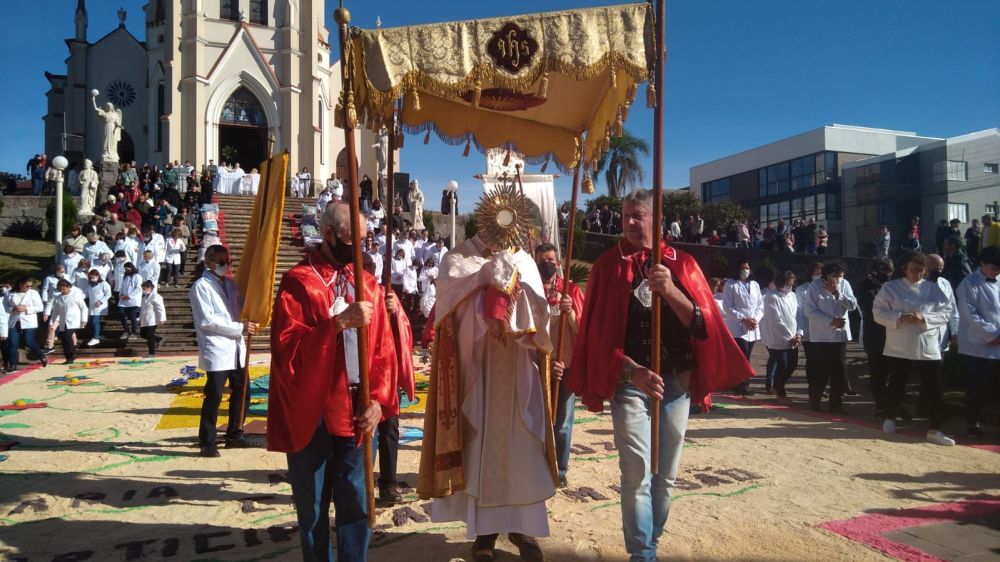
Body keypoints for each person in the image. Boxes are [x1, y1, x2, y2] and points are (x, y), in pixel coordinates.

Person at [569, 188, 752, 562]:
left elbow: (703, 326)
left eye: (638, 215)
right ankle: (642, 555)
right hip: (630, 382)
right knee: (635, 471)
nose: (630, 223)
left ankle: (650, 542)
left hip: (677, 383)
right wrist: (632, 370)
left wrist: (669, 289)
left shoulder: (681, 263)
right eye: (625, 217)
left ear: (656, 218)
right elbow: (597, 338)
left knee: (665, 477)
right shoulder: (607, 266)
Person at [419, 192, 558, 562]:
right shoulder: (458, 258)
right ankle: (483, 536)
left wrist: (514, 307)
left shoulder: (524, 260)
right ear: (480, 221)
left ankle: (523, 529)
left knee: (522, 452)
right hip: (475, 372)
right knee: (478, 448)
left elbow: (541, 315)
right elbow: (447, 311)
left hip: (517, 373)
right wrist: (482, 284)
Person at [267, 202, 396, 560]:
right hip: (315, 411)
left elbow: (383, 352)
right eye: (351, 240)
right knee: (312, 504)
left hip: (358, 407)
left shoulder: (367, 284)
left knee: (356, 499)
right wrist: (335, 325)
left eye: (365, 241)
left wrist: (379, 401)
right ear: (327, 235)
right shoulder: (299, 282)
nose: (360, 248)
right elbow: (285, 349)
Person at [873, 252, 955, 446]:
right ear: (905, 269)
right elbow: (877, 312)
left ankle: (935, 429)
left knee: (934, 388)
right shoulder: (890, 288)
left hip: (926, 343)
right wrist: (899, 317)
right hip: (900, 343)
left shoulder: (932, 289)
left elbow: (946, 312)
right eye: (915, 270)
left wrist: (924, 319)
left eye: (922, 270)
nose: (919, 274)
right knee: (897, 384)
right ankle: (890, 418)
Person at [190, 245, 258, 457]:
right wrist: (239, 328)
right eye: (221, 262)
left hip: (236, 348)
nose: (225, 266)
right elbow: (207, 321)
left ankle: (235, 433)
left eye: (227, 262)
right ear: (209, 262)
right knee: (215, 394)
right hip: (217, 348)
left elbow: (240, 307)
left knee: (242, 391)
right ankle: (207, 440)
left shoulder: (231, 284)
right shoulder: (201, 286)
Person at [534, 242, 585, 488]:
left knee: (563, 421)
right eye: (542, 260)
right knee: (536, 419)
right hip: (537, 365)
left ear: (558, 262)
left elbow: (584, 333)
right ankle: (537, 466)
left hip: (567, 365)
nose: (547, 264)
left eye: (551, 260)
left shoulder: (571, 291)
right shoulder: (529, 291)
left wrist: (571, 313)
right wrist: (545, 362)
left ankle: (560, 470)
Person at [956, 246, 1000, 438]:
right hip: (977, 344)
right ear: (982, 263)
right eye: (993, 267)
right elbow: (970, 314)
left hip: (998, 340)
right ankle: (972, 422)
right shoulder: (969, 283)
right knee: (977, 385)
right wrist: (992, 335)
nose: (996, 271)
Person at [803, 261, 857, 413]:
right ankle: (815, 401)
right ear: (826, 275)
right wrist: (830, 321)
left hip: (840, 336)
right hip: (821, 336)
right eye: (835, 276)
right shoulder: (815, 286)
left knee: (839, 371)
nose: (838, 279)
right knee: (821, 371)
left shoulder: (845, 284)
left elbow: (852, 305)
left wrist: (837, 293)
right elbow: (809, 311)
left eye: (840, 276)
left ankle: (836, 404)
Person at [857, 258, 893, 418]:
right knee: (878, 372)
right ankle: (881, 405)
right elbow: (872, 311)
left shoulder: (891, 286)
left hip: (893, 335)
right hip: (875, 336)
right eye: (884, 273)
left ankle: (893, 403)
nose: (887, 276)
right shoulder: (865, 287)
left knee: (894, 371)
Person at [723, 259, 763, 395]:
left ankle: (739, 383)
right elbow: (727, 307)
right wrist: (744, 319)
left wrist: (754, 319)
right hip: (738, 325)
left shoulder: (755, 285)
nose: (745, 271)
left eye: (747, 268)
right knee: (742, 355)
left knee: (748, 356)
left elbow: (759, 306)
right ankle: (741, 385)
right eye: (742, 268)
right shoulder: (731, 284)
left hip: (752, 326)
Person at [760, 271, 801, 403]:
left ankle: (777, 386)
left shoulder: (792, 296)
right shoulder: (771, 297)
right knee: (782, 364)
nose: (790, 287)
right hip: (778, 338)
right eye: (788, 284)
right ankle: (780, 392)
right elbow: (776, 320)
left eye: (792, 284)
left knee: (793, 364)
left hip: (793, 337)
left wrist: (799, 333)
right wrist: (790, 336)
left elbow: (798, 315)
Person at [4, 277, 47, 371]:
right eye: (27, 286)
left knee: (29, 341)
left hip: (29, 321)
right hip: (14, 320)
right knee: (12, 343)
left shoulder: (33, 293)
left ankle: (41, 355)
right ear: (20, 284)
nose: (29, 287)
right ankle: (13, 364)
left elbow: (40, 307)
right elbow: (5, 306)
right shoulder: (10, 293)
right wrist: (13, 309)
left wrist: (26, 308)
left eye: (30, 286)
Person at [48, 279, 88, 364]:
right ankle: (68, 357)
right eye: (60, 289)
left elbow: (84, 308)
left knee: (67, 336)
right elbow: (55, 312)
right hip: (63, 321)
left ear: (69, 287)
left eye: (64, 289)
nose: (62, 291)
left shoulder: (76, 296)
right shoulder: (58, 298)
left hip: (74, 321)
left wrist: (84, 319)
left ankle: (73, 354)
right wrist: (52, 323)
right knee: (63, 338)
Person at [139, 280, 167, 356]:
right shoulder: (144, 297)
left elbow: (160, 307)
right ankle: (159, 339)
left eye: (146, 287)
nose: (144, 289)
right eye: (143, 288)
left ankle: (152, 353)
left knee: (149, 335)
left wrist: (162, 318)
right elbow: (142, 309)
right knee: (142, 334)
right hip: (145, 319)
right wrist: (140, 318)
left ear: (151, 288)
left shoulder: (156, 296)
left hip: (153, 319)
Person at [85, 270, 111, 346]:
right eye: (91, 277)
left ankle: (96, 338)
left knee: (95, 321)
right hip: (92, 306)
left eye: (94, 277)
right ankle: (97, 335)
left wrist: (101, 301)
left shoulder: (104, 284)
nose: (92, 279)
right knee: (91, 321)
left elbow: (108, 294)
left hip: (100, 306)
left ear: (98, 276)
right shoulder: (89, 285)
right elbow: (85, 294)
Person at [118, 262, 142, 340]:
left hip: (133, 300)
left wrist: (129, 296)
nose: (126, 270)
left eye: (128, 268)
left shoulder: (137, 276)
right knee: (121, 314)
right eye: (125, 269)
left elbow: (138, 288)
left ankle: (133, 333)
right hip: (123, 300)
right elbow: (121, 287)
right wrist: (121, 294)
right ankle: (126, 331)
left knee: (132, 317)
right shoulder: (125, 277)